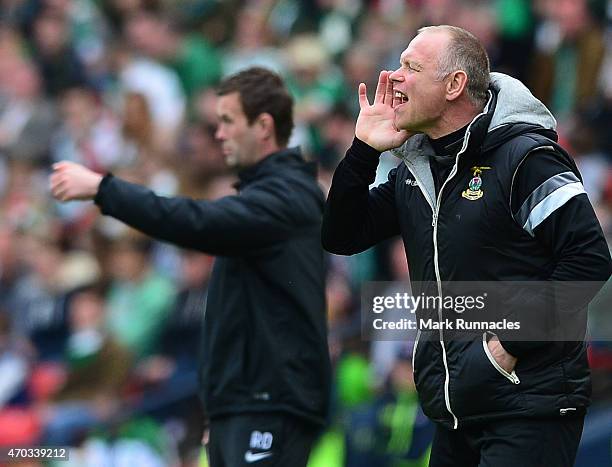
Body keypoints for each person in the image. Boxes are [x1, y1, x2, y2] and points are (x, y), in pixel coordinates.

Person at [321, 25, 612, 467]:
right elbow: (341, 236)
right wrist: (363, 150)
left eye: (411, 67)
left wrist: (507, 345)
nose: (394, 77)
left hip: (527, 403)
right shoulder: (417, 169)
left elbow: (589, 257)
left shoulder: (525, 156)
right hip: (455, 407)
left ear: (455, 85)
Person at [50, 67, 330, 467]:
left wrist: (102, 189)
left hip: (272, 403)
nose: (219, 135)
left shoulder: (285, 197)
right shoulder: (265, 197)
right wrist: (223, 407)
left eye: (228, 122)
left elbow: (195, 221)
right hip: (244, 405)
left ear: (263, 126)